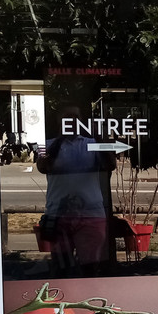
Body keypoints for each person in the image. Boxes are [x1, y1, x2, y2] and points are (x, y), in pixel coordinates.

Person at [37, 106, 115, 276]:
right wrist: (60, 138)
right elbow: (43, 167)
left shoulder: (91, 144)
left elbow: (110, 164)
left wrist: (98, 135)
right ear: (59, 122)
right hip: (58, 213)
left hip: (90, 214)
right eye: (67, 118)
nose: (71, 122)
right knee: (60, 267)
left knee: (90, 267)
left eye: (75, 119)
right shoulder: (47, 144)